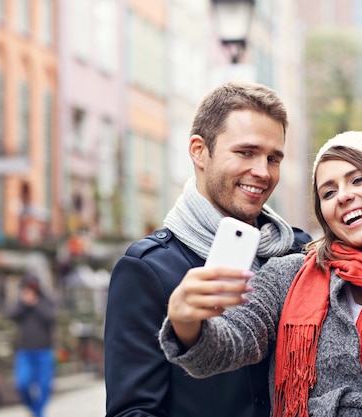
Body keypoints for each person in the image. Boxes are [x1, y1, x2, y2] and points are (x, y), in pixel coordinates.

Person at [160, 131, 362, 416]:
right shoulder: (286, 276)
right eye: (328, 192)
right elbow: (225, 348)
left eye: (358, 179)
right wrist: (186, 322)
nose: (344, 196)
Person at [103, 80, 313, 417]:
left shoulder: (300, 254)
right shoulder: (148, 269)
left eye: (273, 158)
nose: (262, 172)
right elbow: (133, 411)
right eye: (246, 152)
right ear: (199, 151)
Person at [8, 273, 56, 417]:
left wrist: (35, 304)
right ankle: (34, 410)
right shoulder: (21, 302)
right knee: (22, 384)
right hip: (25, 352)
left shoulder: (46, 301)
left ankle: (39, 413)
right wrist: (24, 303)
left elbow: (51, 318)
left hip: (44, 351)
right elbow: (11, 315)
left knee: (45, 386)